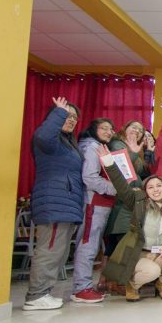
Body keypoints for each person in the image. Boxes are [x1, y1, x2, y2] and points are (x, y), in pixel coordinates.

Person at [97, 145, 162, 302]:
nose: (155, 189)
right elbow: (121, 185)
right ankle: (132, 285)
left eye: (159, 186)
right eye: (150, 187)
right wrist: (108, 162)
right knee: (151, 271)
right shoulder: (138, 202)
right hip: (140, 253)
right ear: (146, 191)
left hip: (160, 253)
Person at [23, 97, 84, 311]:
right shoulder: (48, 140)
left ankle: (44, 292)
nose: (71, 120)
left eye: (75, 117)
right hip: (54, 203)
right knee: (49, 251)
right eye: (67, 116)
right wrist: (59, 113)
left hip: (66, 203)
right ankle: (36, 295)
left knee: (58, 251)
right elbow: (43, 135)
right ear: (55, 116)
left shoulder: (67, 144)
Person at [70, 117, 116, 304]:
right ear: (93, 129)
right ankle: (82, 288)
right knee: (88, 244)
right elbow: (89, 178)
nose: (108, 132)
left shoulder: (96, 146)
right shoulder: (92, 147)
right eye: (104, 128)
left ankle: (83, 286)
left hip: (100, 203)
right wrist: (117, 188)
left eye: (111, 129)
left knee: (91, 243)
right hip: (93, 202)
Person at [105, 119, 150, 260]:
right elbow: (119, 169)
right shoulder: (117, 144)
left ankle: (111, 277)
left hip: (133, 198)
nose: (137, 131)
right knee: (119, 236)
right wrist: (134, 153)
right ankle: (108, 276)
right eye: (134, 127)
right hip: (122, 196)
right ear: (125, 127)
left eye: (140, 130)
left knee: (127, 236)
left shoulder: (136, 149)